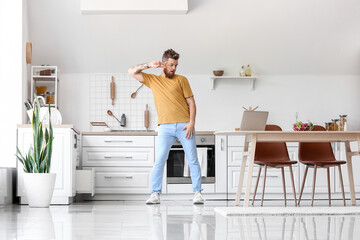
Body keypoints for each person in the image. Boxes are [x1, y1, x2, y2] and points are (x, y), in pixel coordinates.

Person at [128, 49, 204, 205]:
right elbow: (131, 71)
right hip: (165, 127)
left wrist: (192, 123)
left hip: (184, 126)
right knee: (159, 161)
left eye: (176, 65)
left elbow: (191, 103)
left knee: (193, 159)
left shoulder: (182, 80)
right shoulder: (153, 80)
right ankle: (155, 194)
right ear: (163, 64)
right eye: (171, 65)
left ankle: (198, 193)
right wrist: (149, 65)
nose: (174, 68)